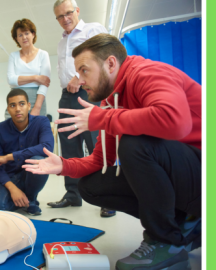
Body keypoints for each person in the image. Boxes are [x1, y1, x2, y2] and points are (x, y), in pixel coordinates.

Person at [23, 34, 201, 270]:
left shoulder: (147, 73)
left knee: (134, 144)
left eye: (84, 70)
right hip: (185, 177)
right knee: (91, 186)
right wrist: (63, 166)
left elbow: (176, 121)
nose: (80, 80)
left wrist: (104, 118)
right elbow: (99, 160)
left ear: (110, 63)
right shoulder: (111, 101)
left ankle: (166, 241)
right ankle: (181, 224)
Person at [50, 0, 115, 218]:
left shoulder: (92, 29)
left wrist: (79, 77)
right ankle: (72, 194)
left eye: (68, 13)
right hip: (66, 96)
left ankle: (109, 198)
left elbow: (104, 56)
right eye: (60, 16)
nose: (65, 19)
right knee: (68, 146)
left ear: (77, 10)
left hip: (90, 93)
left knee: (98, 144)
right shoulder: (61, 43)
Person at [0, 89, 53, 216]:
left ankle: (31, 198)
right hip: (10, 177)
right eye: (13, 105)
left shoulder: (41, 122)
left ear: (28, 106)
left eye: (21, 104)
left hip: (31, 174)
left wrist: (10, 157)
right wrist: (12, 189)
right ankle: (22, 199)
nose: (17, 109)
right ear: (8, 109)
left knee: (39, 160)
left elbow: (47, 147)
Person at [6, 18, 51, 118]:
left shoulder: (43, 54)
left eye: (26, 33)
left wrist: (37, 107)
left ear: (33, 34)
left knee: (35, 132)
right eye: (20, 35)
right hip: (15, 98)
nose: (24, 37)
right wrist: (36, 78)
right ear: (16, 38)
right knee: (12, 131)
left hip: (37, 99)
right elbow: (11, 80)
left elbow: (45, 83)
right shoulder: (13, 56)